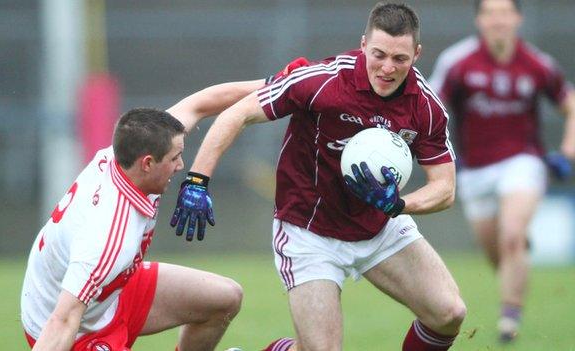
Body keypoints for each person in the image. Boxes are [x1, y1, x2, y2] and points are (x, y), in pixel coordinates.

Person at [171, 2, 467, 350]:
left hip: (378, 227)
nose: (387, 68)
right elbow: (237, 113)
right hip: (308, 233)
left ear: (417, 54)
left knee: (449, 313)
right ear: (363, 45)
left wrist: (399, 204)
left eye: (399, 59)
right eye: (379, 54)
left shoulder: (426, 107)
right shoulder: (323, 79)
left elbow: (445, 189)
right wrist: (197, 180)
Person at [20, 79, 267, 351]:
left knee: (225, 298)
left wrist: (277, 83)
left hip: (111, 293)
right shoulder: (107, 235)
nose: (181, 165)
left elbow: (199, 104)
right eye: (175, 158)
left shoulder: (132, 151)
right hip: (74, 328)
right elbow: (62, 321)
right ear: (147, 163)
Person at [429, 0, 575, 342]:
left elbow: (571, 105)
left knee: (510, 236)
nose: (498, 20)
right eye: (490, 13)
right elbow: (431, 107)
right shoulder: (457, 61)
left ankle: (509, 319)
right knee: (498, 251)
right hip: (474, 170)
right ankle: (517, 250)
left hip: (523, 161)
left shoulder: (537, 63)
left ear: (518, 18)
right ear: (479, 20)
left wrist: (568, 149)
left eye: (505, 13)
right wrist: (439, 154)